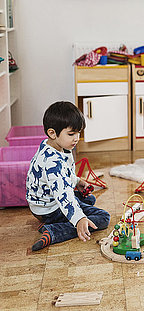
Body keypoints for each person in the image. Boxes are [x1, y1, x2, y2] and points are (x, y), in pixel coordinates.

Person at [26, 101, 110, 251]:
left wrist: (76, 180)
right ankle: (54, 231)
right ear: (52, 133)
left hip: (43, 204)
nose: (76, 138)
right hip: (49, 209)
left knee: (90, 199)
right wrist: (79, 219)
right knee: (103, 218)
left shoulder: (54, 145)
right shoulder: (52, 163)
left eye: (78, 133)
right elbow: (63, 194)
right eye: (71, 134)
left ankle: (54, 223)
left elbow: (64, 174)